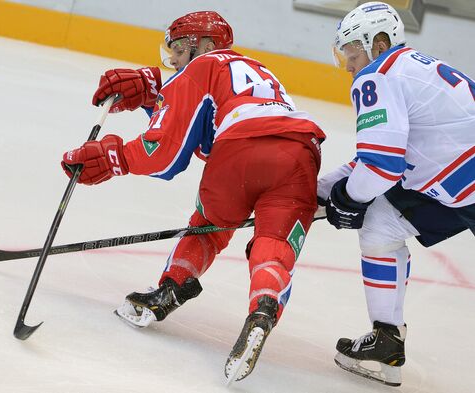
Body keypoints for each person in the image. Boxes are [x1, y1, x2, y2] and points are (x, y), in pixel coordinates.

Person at [61, 11, 326, 383]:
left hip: (238, 154)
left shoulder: (200, 67)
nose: (173, 62)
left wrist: (113, 156)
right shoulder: (258, 69)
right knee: (274, 242)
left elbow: (165, 155)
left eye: (178, 52)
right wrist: (153, 94)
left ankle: (171, 288)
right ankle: (262, 312)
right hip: (301, 154)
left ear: (201, 46)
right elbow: (206, 129)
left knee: (210, 226)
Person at [319, 1, 475, 387]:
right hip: (452, 179)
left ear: (380, 42)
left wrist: (347, 199)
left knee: (374, 218)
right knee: (379, 229)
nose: (349, 66)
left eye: (352, 55)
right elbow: (377, 161)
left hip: (459, 178)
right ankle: (386, 342)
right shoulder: (406, 67)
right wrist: (320, 193)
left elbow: (380, 167)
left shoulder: (378, 76)